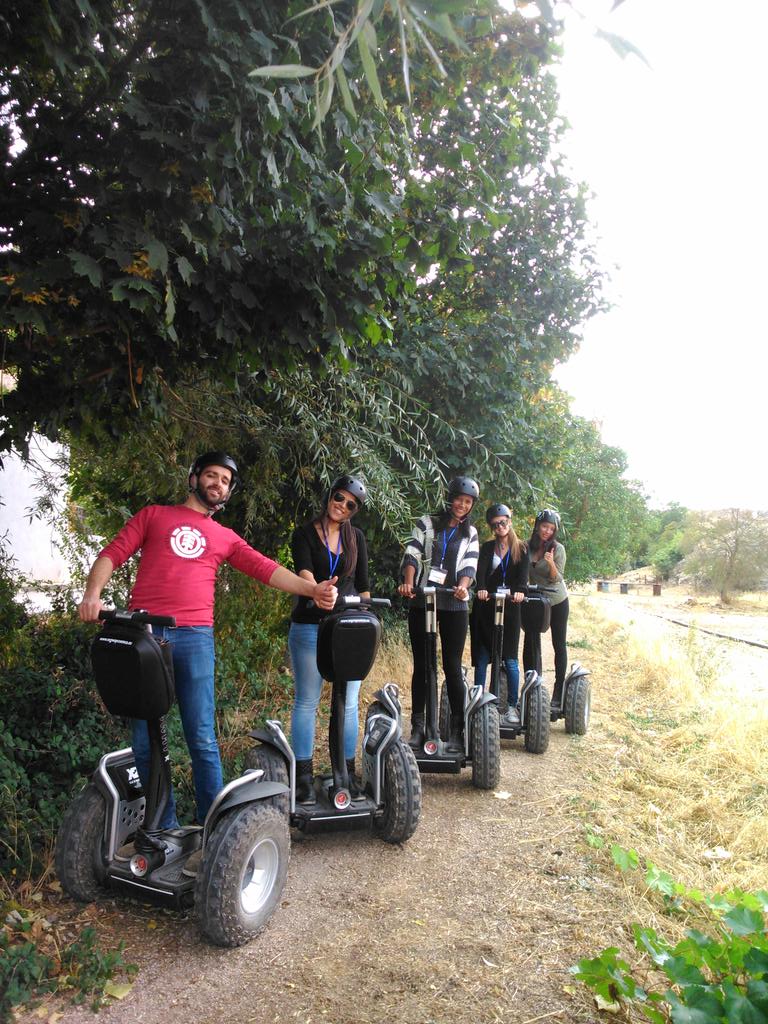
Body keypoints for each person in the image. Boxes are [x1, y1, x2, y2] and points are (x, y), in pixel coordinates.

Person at [77, 451, 338, 837]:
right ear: (195, 477)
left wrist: (312, 589)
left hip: (196, 636)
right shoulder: (154, 516)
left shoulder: (224, 537)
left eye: (226, 481)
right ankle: (161, 828)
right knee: (146, 740)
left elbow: (266, 568)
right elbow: (111, 554)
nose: (218, 484)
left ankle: (215, 830)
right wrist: (92, 594)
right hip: (145, 635)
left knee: (201, 737)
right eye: (212, 476)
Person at [288, 474, 370, 804]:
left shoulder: (357, 538)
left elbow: (363, 586)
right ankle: (303, 776)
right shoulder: (304, 533)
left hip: (347, 627)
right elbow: (304, 573)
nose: (343, 506)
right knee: (308, 700)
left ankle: (346, 771)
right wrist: (318, 590)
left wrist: (367, 616)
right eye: (339, 498)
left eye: (351, 504)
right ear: (329, 496)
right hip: (310, 624)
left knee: (349, 702)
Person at [398, 476, 480, 752]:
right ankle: (419, 727)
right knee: (422, 665)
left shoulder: (471, 533)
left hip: (454, 604)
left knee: (452, 667)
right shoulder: (427, 523)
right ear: (450, 498)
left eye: (467, 502)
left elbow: (470, 564)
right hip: (423, 601)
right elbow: (412, 553)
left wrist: (463, 587)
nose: (462, 505)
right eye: (459, 499)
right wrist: (409, 582)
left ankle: (457, 729)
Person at [470, 504, 529, 723]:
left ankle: (512, 706)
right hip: (487, 607)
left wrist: (520, 592)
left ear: (510, 522)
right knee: (483, 656)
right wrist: (482, 588)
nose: (499, 527)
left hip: (510, 609)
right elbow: (481, 572)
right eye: (495, 525)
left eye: (503, 522)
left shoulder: (521, 548)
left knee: (511, 659)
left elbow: (522, 578)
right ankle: (478, 701)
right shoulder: (487, 548)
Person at [522, 508, 569, 706]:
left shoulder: (557, 549)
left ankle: (559, 690)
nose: (547, 531)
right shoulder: (526, 546)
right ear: (537, 526)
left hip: (556, 599)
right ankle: (532, 685)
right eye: (544, 526)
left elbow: (557, 578)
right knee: (530, 641)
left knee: (558, 643)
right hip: (534, 599)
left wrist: (550, 564)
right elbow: (520, 571)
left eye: (551, 528)